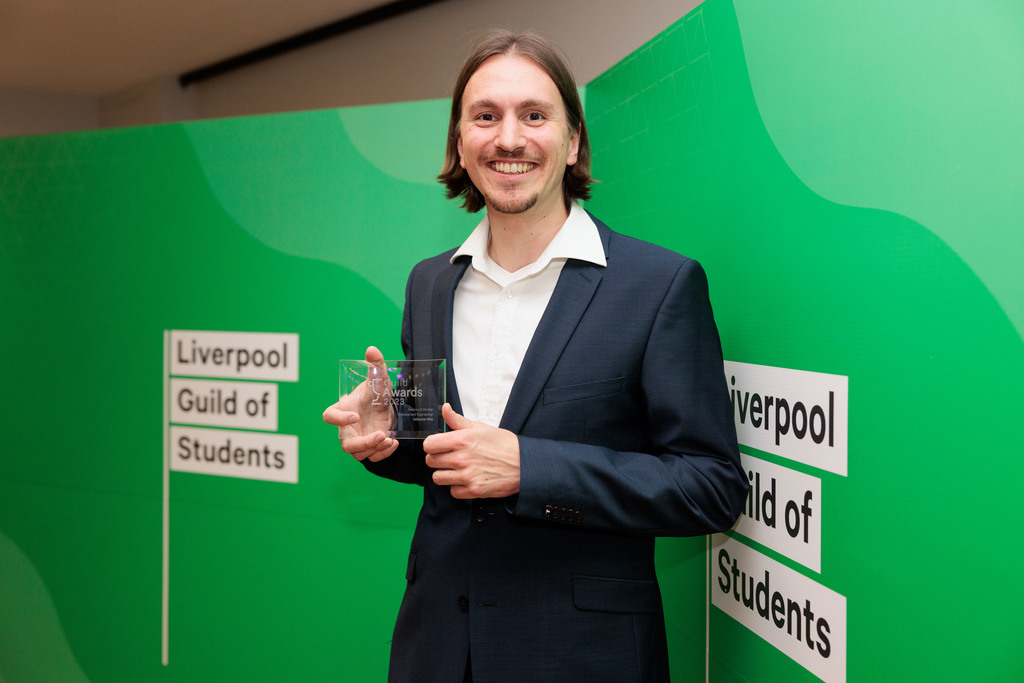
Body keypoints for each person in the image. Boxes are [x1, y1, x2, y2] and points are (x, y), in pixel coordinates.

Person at [323, 29, 748, 683]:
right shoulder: (429, 283)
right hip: (436, 651)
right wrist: (389, 440)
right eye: (485, 116)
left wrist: (530, 467)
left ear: (573, 139)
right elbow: (446, 463)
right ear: (459, 142)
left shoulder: (657, 286)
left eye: (534, 115)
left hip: (582, 657)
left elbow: (710, 488)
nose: (510, 138)